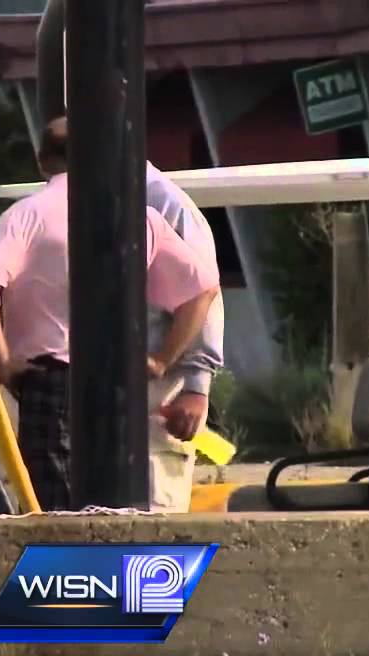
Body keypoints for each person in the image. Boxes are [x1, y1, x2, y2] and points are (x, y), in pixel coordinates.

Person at [0, 117, 220, 511]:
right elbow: (203, 290)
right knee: (123, 505)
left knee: (55, 511)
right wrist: (161, 360)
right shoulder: (140, 214)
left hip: (49, 381)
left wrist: (3, 364)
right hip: (123, 380)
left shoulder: (26, 215)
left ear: (42, 160)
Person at [145, 161, 226, 512]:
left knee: (149, 515)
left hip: (159, 391)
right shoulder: (71, 200)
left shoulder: (162, 202)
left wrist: (196, 387)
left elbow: (203, 291)